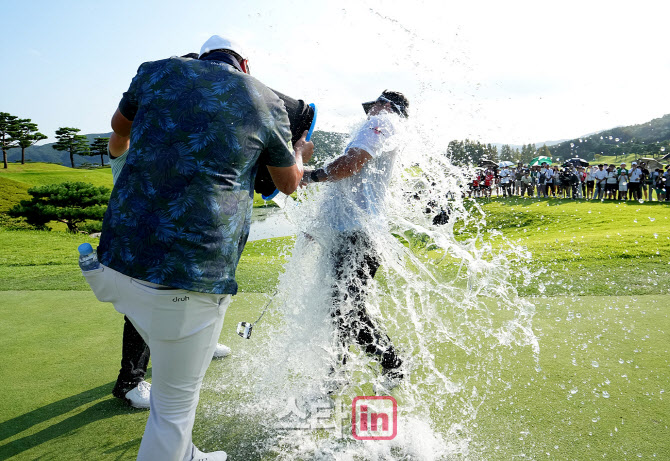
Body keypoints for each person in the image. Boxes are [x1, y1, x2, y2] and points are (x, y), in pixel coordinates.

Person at [90, 35, 314, 461]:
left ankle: (186, 448)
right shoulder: (265, 99)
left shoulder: (155, 70)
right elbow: (287, 184)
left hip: (112, 265)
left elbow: (119, 132)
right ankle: (176, 448)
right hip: (193, 278)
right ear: (244, 63)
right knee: (173, 408)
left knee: (164, 335)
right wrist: (300, 151)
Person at [107, 129, 232, 410]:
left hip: (180, 245)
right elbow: (120, 132)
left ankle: (199, 345)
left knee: (196, 296)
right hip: (139, 249)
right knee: (142, 310)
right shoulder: (126, 154)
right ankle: (130, 382)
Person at [301, 90, 408, 395]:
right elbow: (349, 184)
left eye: (373, 106)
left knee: (346, 308)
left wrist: (312, 174)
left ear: (387, 105)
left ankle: (391, 363)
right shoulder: (385, 125)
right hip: (350, 233)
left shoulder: (384, 121)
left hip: (358, 235)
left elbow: (351, 164)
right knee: (340, 307)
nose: (369, 112)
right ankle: (337, 371)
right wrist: (318, 225)